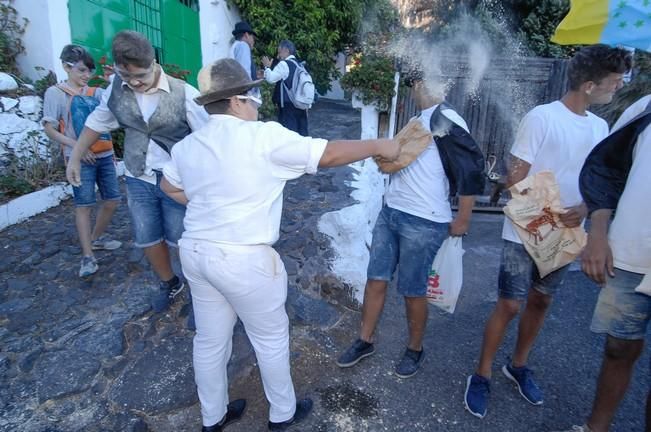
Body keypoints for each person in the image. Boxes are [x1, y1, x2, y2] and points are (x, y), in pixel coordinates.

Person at [159, 58, 401, 432]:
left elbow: (168, 187)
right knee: (270, 338)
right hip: (243, 258)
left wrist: (212, 204)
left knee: (209, 341)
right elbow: (329, 154)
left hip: (196, 253)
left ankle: (213, 418)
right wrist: (378, 144)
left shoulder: (188, 146)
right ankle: (282, 414)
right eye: (252, 96)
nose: (258, 103)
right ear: (237, 101)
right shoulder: (263, 137)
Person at [464, 44, 632, 419]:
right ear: (589, 85)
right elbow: (515, 177)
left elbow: (598, 180)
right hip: (525, 231)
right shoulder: (541, 117)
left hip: (567, 234)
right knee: (509, 304)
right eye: (615, 82)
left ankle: (518, 365)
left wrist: (586, 208)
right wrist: (539, 203)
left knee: (542, 301)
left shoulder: (600, 126)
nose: (618, 88)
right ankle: (482, 373)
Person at [336, 73, 485, 378]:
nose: (415, 88)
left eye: (418, 82)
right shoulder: (419, 118)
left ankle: (415, 348)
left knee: (413, 290)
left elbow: (471, 170)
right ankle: (365, 340)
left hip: (425, 220)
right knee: (376, 278)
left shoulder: (447, 118)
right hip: (391, 213)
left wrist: (464, 219)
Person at [66, 30, 209, 313]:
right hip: (137, 175)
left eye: (140, 76)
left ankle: (201, 293)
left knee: (184, 239)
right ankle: (170, 282)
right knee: (147, 237)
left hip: (176, 179)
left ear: (154, 63)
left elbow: (208, 138)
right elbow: (98, 121)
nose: (133, 82)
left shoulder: (185, 93)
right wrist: (75, 157)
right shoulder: (116, 89)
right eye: (125, 75)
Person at [555, 94, 651, 432]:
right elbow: (607, 172)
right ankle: (596, 428)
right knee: (617, 347)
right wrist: (596, 234)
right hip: (630, 253)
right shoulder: (645, 108)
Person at [43, 44, 122, 278]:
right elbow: (50, 128)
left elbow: (113, 110)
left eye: (89, 71)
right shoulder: (55, 93)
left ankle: (95, 239)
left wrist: (113, 81)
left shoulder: (94, 92)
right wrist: (77, 148)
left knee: (113, 200)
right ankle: (88, 255)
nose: (86, 76)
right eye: (81, 70)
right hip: (79, 158)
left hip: (104, 154)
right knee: (84, 205)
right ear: (66, 67)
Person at [262, 40, 309, 136]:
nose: (278, 56)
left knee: (288, 136)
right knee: (302, 135)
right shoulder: (300, 65)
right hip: (300, 104)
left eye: (279, 52)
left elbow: (271, 79)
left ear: (286, 50)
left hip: (288, 107)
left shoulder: (284, 64)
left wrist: (267, 67)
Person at [230, 21, 260, 98]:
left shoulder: (235, 46)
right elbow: (245, 73)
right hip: (245, 95)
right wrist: (248, 95)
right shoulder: (243, 46)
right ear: (246, 35)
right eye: (253, 37)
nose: (253, 41)